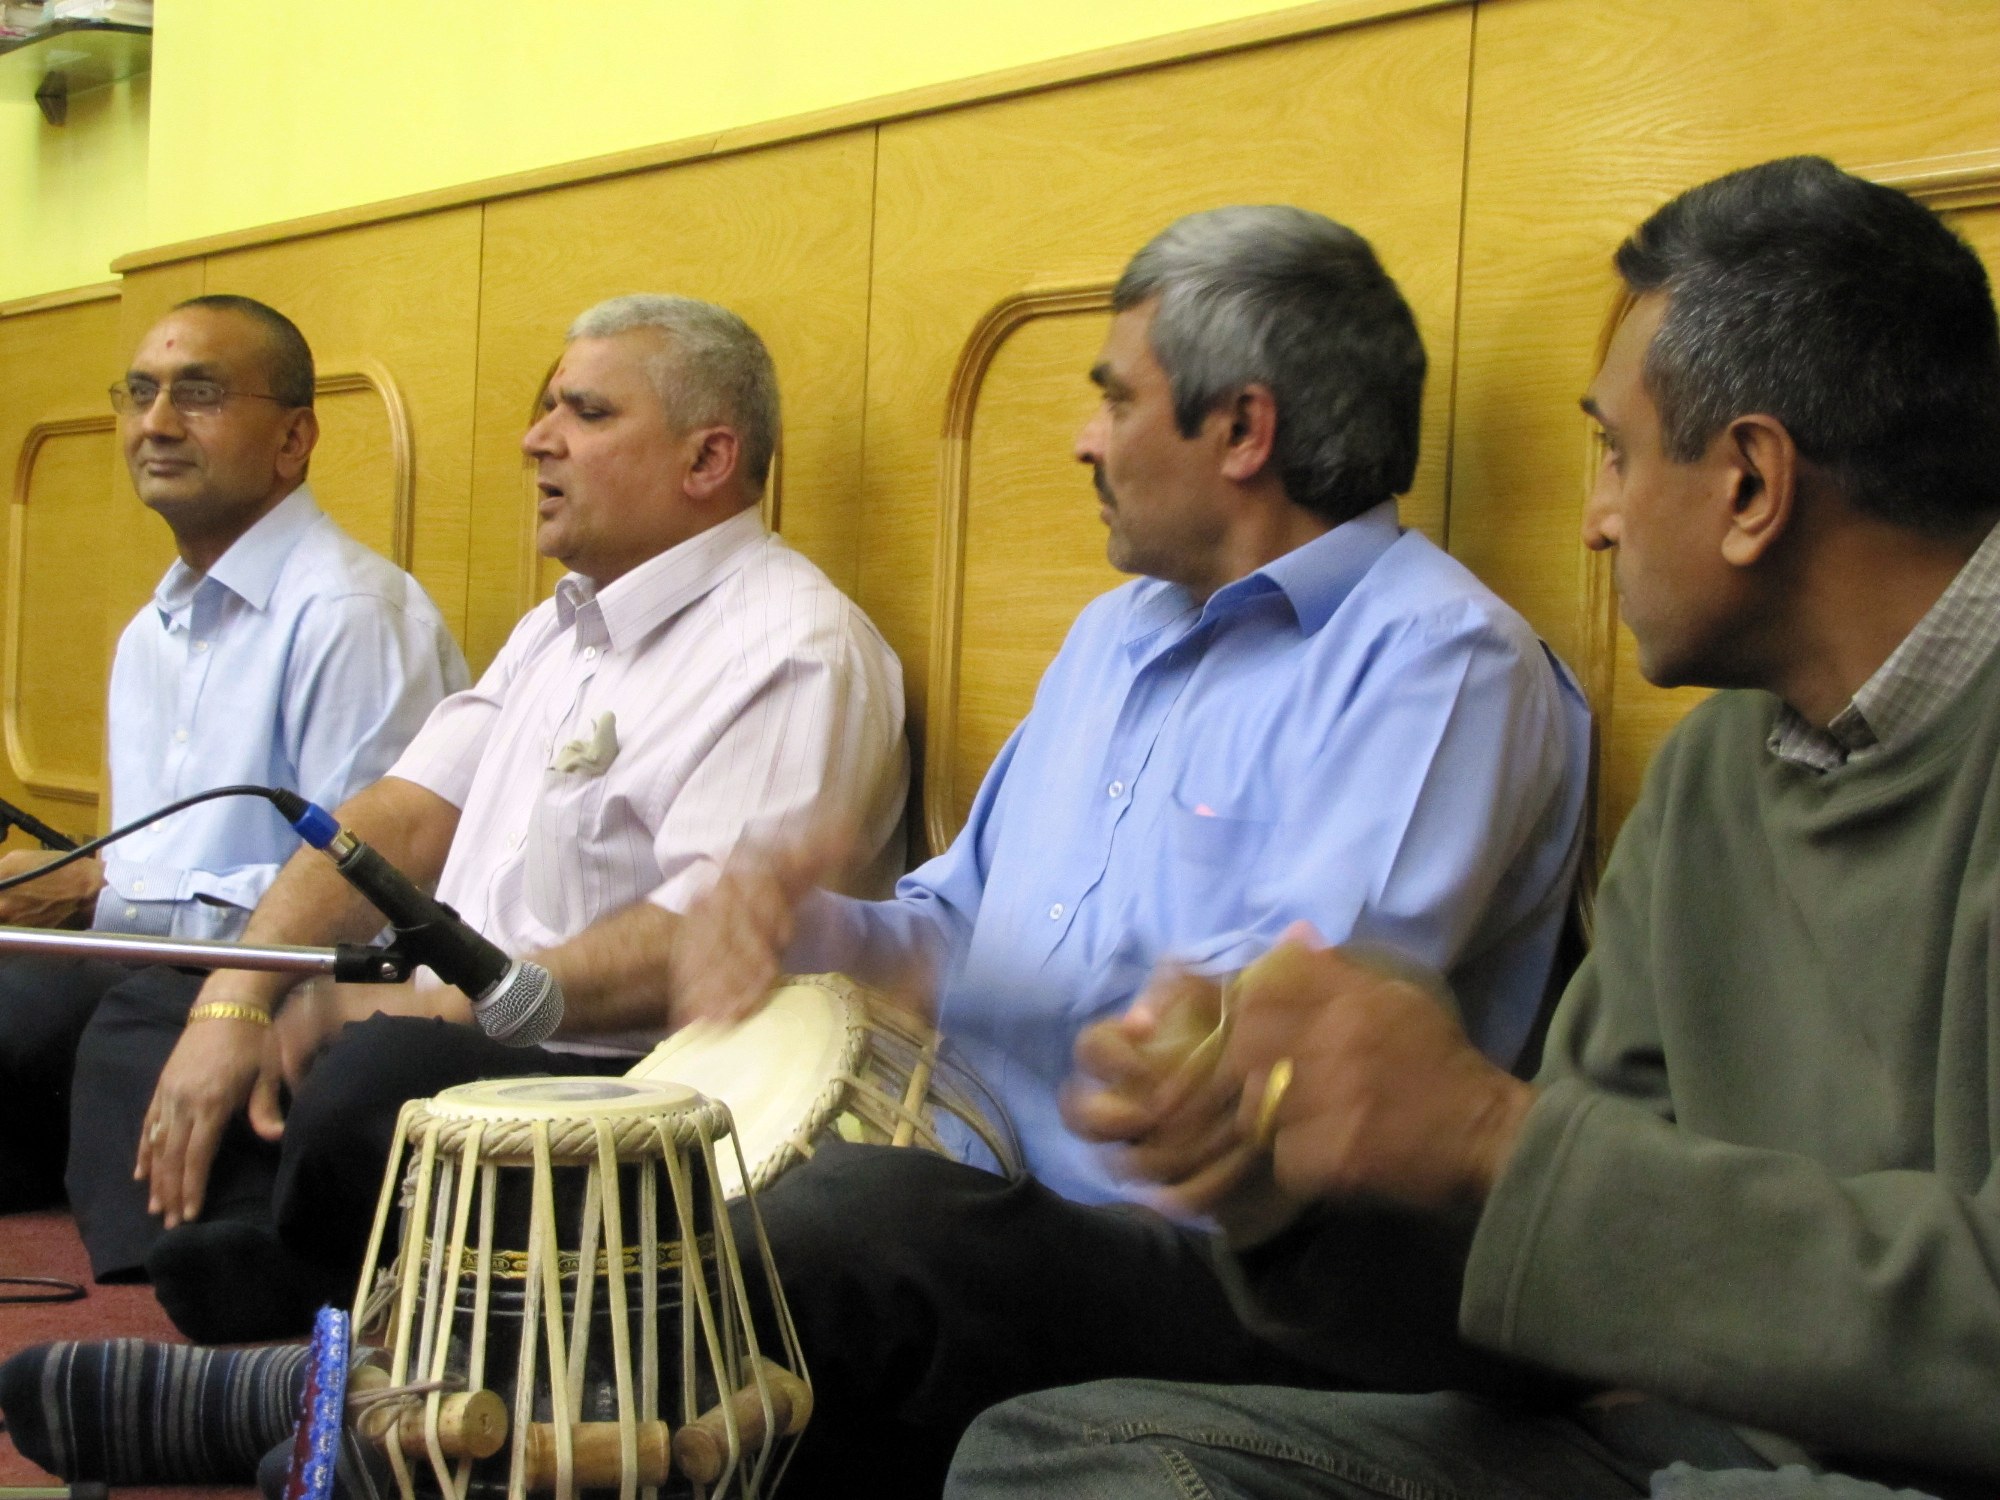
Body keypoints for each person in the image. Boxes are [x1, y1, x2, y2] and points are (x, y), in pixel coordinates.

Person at [948, 157, 2000, 1500]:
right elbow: (1555, 1299)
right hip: (1676, 1443)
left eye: (1616, 455)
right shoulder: (1711, 776)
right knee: (1065, 1462)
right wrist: (1287, 1192)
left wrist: (1495, 1139)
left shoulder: (1452, 655)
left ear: (1749, 485)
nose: (1596, 523)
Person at [671, 204, 1592, 1497]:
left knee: (848, 1231)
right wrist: (812, 926)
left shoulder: (1442, 660)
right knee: (661, 1190)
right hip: (998, 1205)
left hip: (1253, 1277)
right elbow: (952, 921)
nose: (1083, 438)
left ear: (1243, 430)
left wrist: (946, 983)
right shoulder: (1112, 637)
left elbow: (1254, 1058)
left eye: (1114, 398)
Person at [130, 292, 909, 1345]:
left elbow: (706, 940)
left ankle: (320, 1307)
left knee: (376, 1078)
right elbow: (397, 820)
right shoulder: (560, 625)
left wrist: (437, 1013)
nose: (536, 440)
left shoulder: (792, 649)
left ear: (707, 458)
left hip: (637, 1086)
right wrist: (235, 999)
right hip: (466, 1040)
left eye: (584, 413)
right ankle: (322, 1288)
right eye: (548, 408)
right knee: (181, 1024)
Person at [0, 295, 466, 1269]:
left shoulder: (350, 613)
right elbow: (146, 873)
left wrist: (102, 895)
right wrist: (78, 894)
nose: (156, 423)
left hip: (296, 988)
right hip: (148, 968)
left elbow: (370, 900)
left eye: (199, 394)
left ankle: (220, 1285)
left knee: (121, 1030)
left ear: (294, 439)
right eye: (140, 393)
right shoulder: (150, 633)